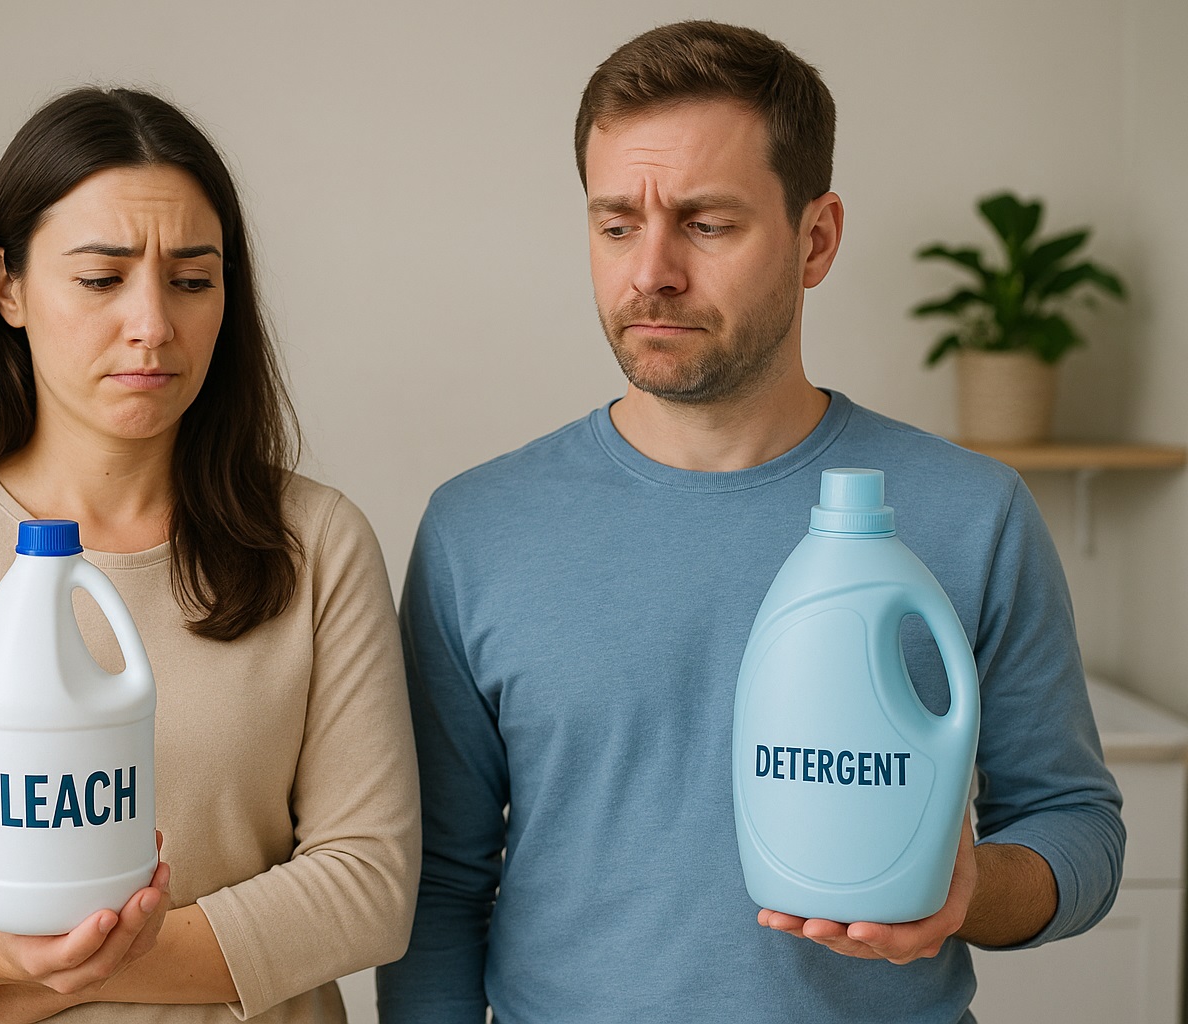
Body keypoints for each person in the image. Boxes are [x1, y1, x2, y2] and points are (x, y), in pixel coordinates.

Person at [375, 20, 1123, 1024]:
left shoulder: (971, 512)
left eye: (707, 223)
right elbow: (439, 886)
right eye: (614, 224)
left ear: (815, 239)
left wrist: (970, 892)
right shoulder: (477, 530)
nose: (652, 271)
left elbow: (1076, 826)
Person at [0, 87, 420, 1024]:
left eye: (193, 281)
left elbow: (369, 883)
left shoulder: (315, 543)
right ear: (9, 287)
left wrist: (23, 983)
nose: (153, 324)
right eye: (100, 278)